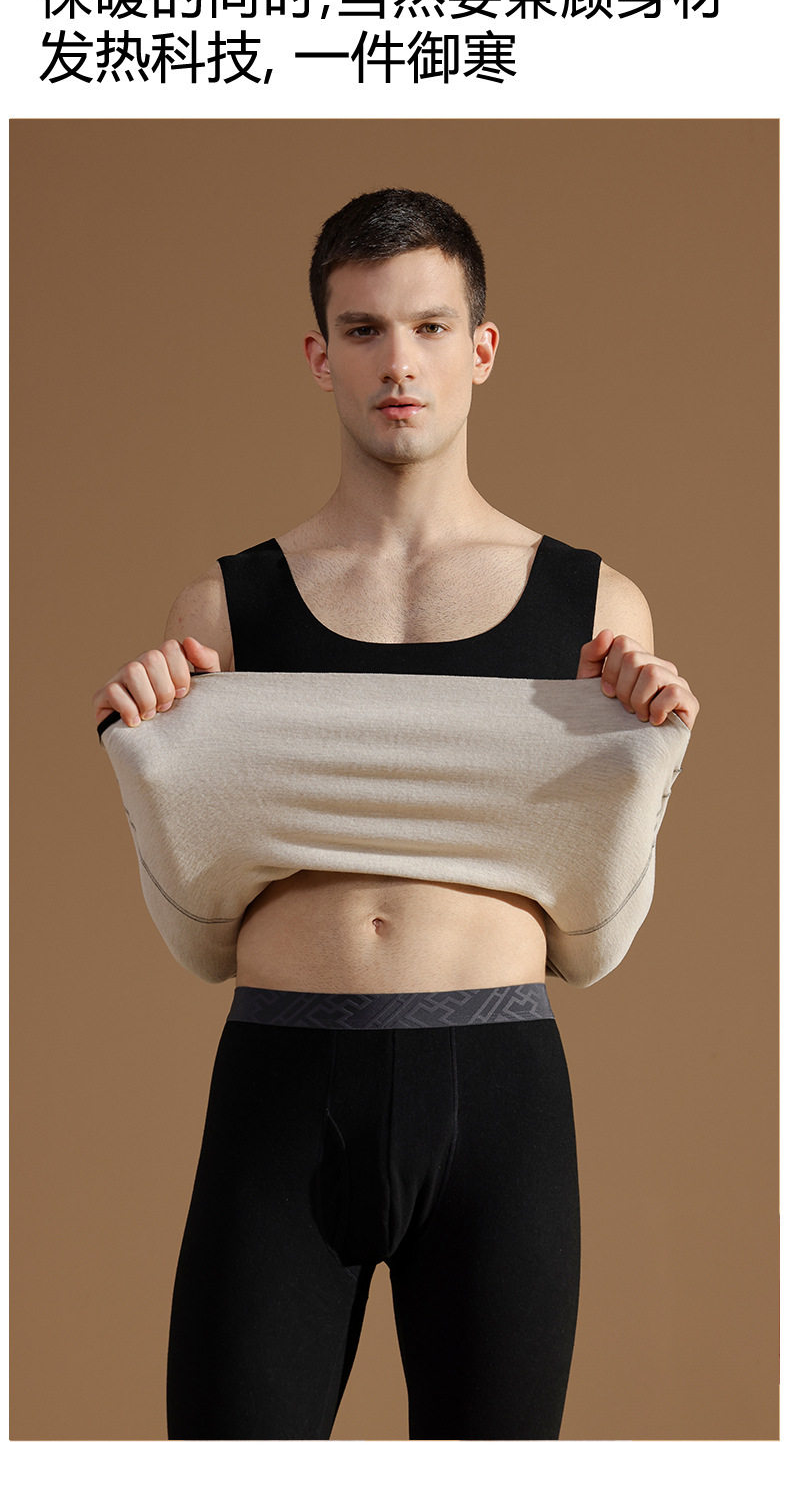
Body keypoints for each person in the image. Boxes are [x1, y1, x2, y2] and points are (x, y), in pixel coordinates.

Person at [93, 188, 699, 1441]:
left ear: (482, 348)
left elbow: (596, 941)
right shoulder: (224, 609)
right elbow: (199, 931)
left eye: (429, 327)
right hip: (280, 1081)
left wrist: (653, 749)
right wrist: (144, 746)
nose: (399, 362)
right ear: (321, 355)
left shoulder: (595, 610)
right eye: (363, 330)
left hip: (498, 1093)